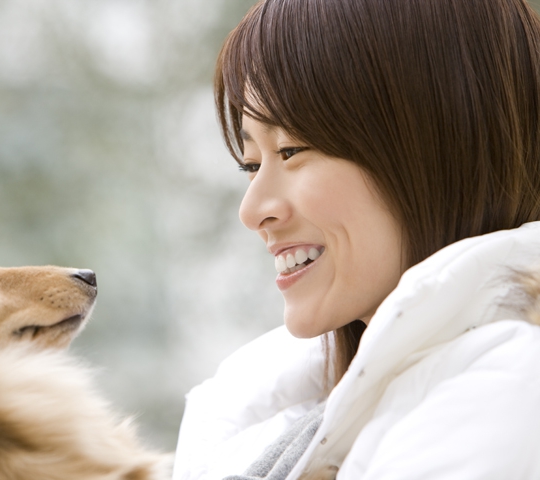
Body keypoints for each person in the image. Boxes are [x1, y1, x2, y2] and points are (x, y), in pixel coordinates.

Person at [173, 0, 540, 478]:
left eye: (291, 150)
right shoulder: (277, 418)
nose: (253, 210)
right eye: (251, 164)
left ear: (434, 141)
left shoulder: (507, 393)